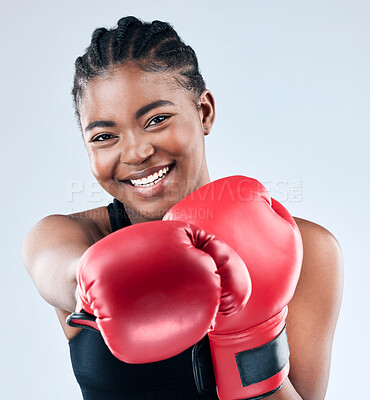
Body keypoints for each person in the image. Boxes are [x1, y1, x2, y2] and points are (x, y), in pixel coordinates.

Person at [22, 16, 343, 400]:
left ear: (204, 111)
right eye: (105, 136)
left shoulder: (306, 249)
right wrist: (97, 278)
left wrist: (250, 338)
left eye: (156, 120)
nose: (137, 152)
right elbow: (64, 274)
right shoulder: (72, 238)